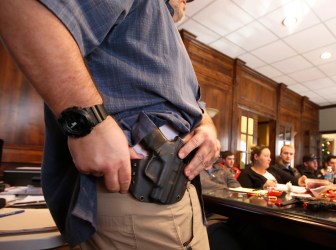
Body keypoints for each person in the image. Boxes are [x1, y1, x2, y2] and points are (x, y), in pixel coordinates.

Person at [0, 0, 221, 249]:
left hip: (179, 194)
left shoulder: (170, 38)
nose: (187, 2)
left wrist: (208, 127)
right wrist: (90, 123)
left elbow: (194, 108)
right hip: (137, 193)